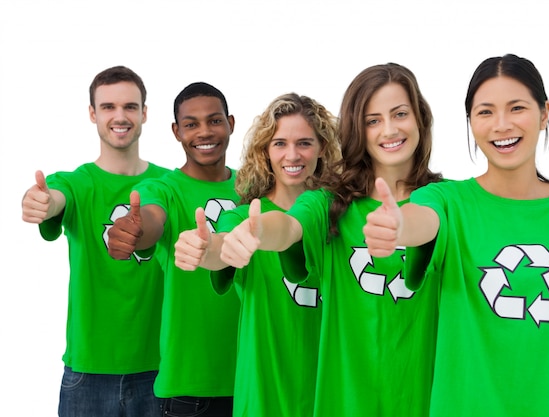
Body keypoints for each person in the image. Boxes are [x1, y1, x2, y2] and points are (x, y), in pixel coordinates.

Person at [363, 54, 549, 417]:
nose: (501, 125)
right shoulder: (449, 201)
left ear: (544, 112)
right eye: (485, 112)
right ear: (470, 122)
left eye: (516, 108)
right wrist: (398, 227)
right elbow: (423, 219)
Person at [219, 63, 443, 417]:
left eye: (400, 113)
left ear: (420, 118)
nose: (389, 129)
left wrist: (404, 225)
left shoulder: (448, 201)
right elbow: (292, 225)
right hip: (344, 401)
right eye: (372, 120)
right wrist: (259, 230)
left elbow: (431, 222)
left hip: (422, 400)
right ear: (357, 128)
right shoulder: (330, 202)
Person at [174, 92, 341, 417]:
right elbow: (223, 247)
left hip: (331, 394)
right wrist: (206, 248)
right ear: (265, 150)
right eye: (279, 143)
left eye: (304, 143)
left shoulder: (340, 214)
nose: (292, 154)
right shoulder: (244, 216)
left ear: (322, 147)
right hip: (264, 397)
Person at [21, 66, 169, 417]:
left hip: (161, 370)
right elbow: (55, 197)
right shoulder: (75, 182)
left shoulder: (169, 184)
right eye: (108, 107)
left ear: (145, 113)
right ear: (93, 114)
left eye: (130, 107)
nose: (120, 116)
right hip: (88, 375)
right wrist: (40, 201)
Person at [106, 82, 241, 417]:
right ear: (176, 131)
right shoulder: (162, 188)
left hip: (256, 379)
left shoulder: (255, 187)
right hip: (190, 390)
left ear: (231, 123)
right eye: (191, 124)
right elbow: (152, 218)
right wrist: (134, 232)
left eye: (214, 120)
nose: (204, 132)